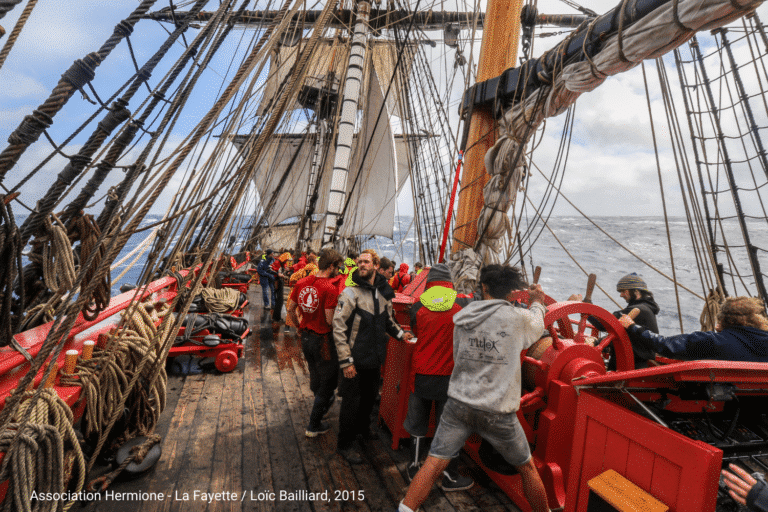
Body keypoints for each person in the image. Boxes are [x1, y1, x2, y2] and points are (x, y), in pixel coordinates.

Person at [398, 264, 550, 512]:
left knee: (433, 464)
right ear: (512, 293)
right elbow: (536, 321)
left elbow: (458, 355)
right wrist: (537, 301)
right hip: (497, 410)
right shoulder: (518, 319)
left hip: (459, 404)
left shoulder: (462, 317)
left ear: (484, 288)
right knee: (528, 469)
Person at [333, 249, 413, 464]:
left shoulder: (383, 293)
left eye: (366, 262)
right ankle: (345, 444)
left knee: (369, 399)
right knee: (351, 402)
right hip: (355, 360)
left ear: (376, 266)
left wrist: (400, 334)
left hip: (375, 358)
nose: (362, 264)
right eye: (360, 261)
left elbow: (388, 320)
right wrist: (346, 361)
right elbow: (338, 328)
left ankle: (363, 429)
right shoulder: (350, 294)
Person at [404, 263, 473, 490]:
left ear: (429, 282)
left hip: (422, 374)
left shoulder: (417, 306)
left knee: (417, 424)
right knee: (449, 428)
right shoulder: (462, 304)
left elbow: (415, 330)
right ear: (450, 283)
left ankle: (414, 467)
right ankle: (450, 477)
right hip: (449, 378)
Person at [288, 249, 344, 437]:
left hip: (306, 337)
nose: (339, 270)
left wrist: (298, 326)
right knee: (328, 382)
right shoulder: (330, 288)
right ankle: (314, 425)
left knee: (315, 374)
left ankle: (320, 404)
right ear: (331, 266)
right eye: (338, 267)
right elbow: (329, 321)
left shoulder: (303, 282)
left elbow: (290, 308)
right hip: (323, 341)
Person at [618, 296, 768, 362]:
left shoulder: (713, 341)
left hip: (723, 404)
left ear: (724, 318)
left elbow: (665, 345)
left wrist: (632, 326)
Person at [581, 273, 660, 368]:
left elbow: (604, 324)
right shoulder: (646, 309)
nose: (621, 295)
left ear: (636, 292)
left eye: (624, 291)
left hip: (631, 365)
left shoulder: (638, 310)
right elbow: (625, 334)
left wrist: (586, 308)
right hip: (637, 361)